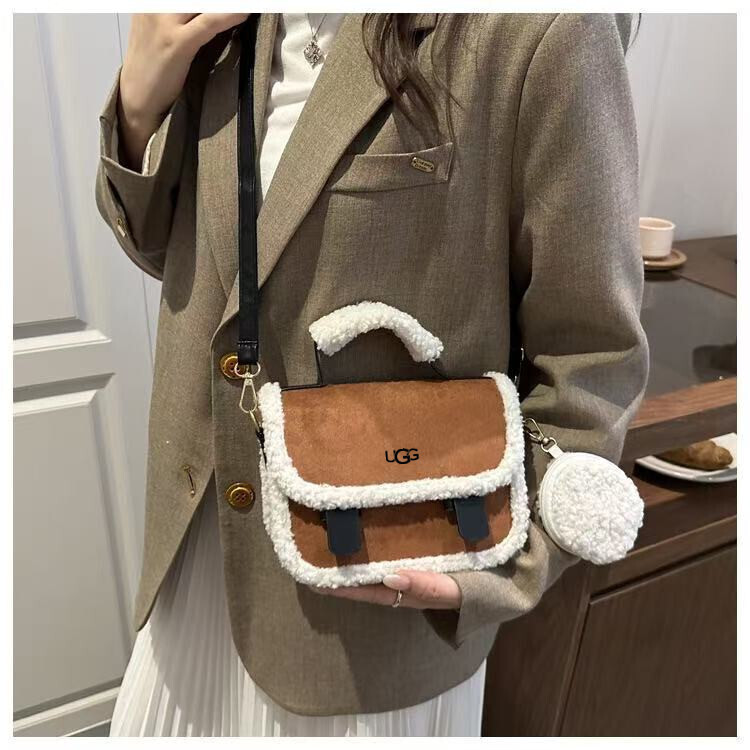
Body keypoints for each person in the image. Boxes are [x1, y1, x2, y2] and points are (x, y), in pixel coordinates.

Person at [95, 12, 649, 737]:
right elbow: (179, 257)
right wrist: (140, 104)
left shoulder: (541, 28)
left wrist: (503, 570)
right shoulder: (226, 27)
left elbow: (592, 354)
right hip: (193, 558)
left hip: (373, 602)